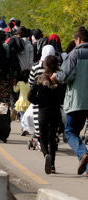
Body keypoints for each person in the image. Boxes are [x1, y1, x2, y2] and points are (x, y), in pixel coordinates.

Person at [50, 29, 88, 175]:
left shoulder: (75, 54)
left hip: (77, 101)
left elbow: (65, 76)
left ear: (78, 40)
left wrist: (55, 76)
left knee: (70, 131)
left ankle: (83, 153)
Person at [28, 55, 66, 174]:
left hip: (43, 113)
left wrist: (39, 102)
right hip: (55, 113)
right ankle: (53, 165)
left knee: (43, 138)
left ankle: (46, 156)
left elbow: (30, 97)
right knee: (52, 138)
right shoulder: (60, 81)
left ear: (45, 66)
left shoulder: (39, 80)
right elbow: (63, 98)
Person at [29, 45, 56, 140]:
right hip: (55, 101)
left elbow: (30, 83)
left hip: (39, 99)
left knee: (36, 118)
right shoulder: (58, 67)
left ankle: (40, 140)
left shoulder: (36, 66)